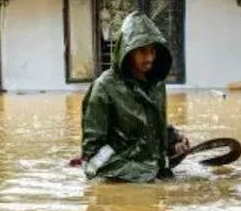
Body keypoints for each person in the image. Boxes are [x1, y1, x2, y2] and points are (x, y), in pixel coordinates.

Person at [81, 11, 189, 182]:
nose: (149, 58)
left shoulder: (157, 85)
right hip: (121, 182)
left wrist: (174, 141)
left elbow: (153, 125)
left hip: (155, 175)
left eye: (153, 51)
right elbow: (92, 157)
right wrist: (140, 174)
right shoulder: (103, 88)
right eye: (142, 51)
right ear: (126, 51)